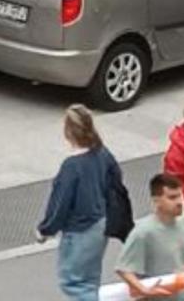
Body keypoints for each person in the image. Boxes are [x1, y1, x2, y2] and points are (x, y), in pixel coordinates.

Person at [36, 105, 121, 301]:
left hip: (80, 229)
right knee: (91, 280)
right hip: (101, 223)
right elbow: (116, 181)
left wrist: (45, 230)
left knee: (75, 283)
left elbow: (60, 204)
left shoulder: (71, 167)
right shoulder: (102, 153)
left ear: (68, 132)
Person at [115, 174, 184, 301]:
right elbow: (123, 269)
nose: (179, 202)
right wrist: (145, 291)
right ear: (156, 201)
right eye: (172, 197)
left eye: (180, 195)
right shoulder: (143, 232)